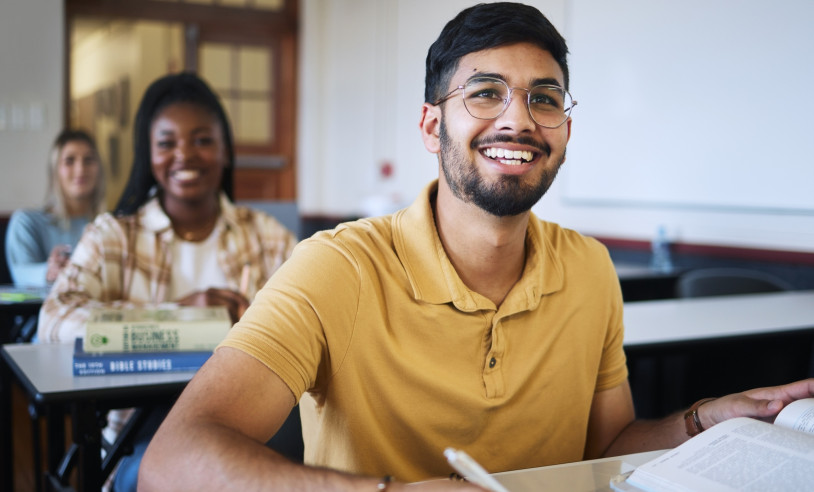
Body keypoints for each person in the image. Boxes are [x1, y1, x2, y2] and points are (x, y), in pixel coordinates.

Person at [139, 3, 814, 491]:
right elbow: (171, 462)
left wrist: (704, 422)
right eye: (485, 92)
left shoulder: (588, 268)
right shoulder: (336, 266)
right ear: (432, 123)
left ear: (566, 133)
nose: (518, 117)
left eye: (544, 98)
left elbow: (608, 446)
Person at [38, 72, 298, 490]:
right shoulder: (113, 236)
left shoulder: (266, 236)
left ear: (226, 151)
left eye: (202, 140)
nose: (185, 155)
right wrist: (177, 316)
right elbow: (51, 323)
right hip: (136, 435)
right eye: (166, 143)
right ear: (148, 153)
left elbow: (316, 318)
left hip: (251, 427)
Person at [5, 129, 106, 287]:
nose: (80, 170)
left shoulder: (109, 225)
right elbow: (22, 275)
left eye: (88, 160)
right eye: (69, 161)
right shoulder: (26, 222)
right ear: (55, 170)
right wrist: (49, 272)